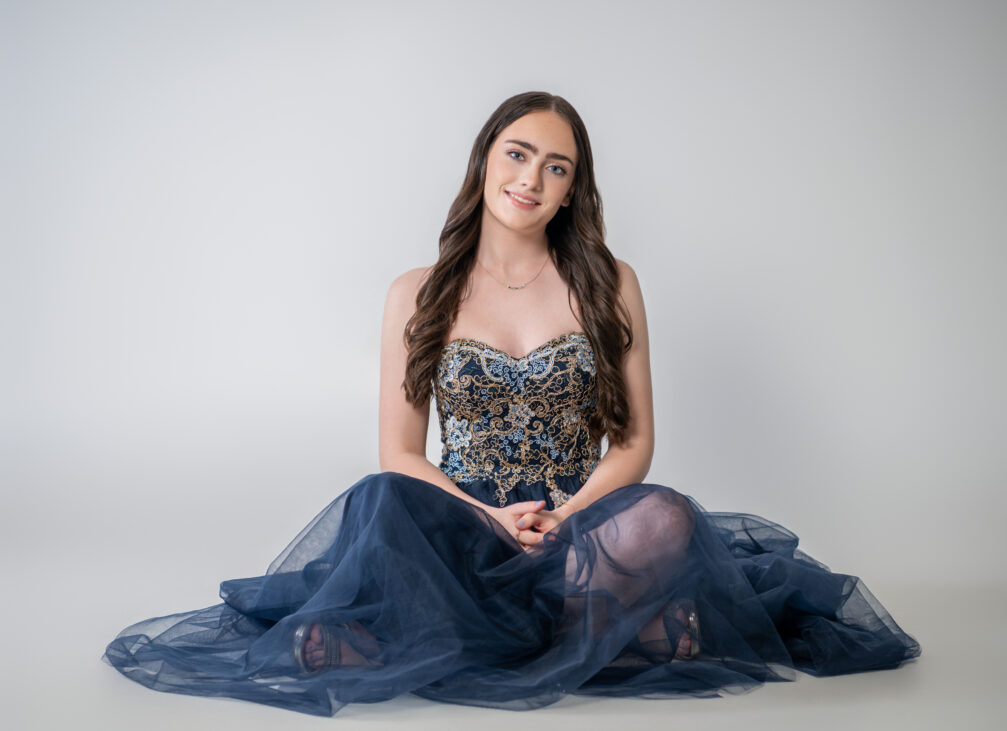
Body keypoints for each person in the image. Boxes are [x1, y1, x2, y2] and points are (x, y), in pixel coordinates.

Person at [104, 91, 920, 716]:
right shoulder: (415, 294)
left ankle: (478, 635)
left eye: (556, 167)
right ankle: (594, 642)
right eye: (519, 154)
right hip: (457, 529)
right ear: (485, 161)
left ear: (572, 190)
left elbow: (633, 445)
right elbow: (401, 449)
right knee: (380, 499)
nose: (532, 178)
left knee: (667, 515)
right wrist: (489, 517)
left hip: (575, 531)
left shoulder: (611, 281)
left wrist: (564, 520)